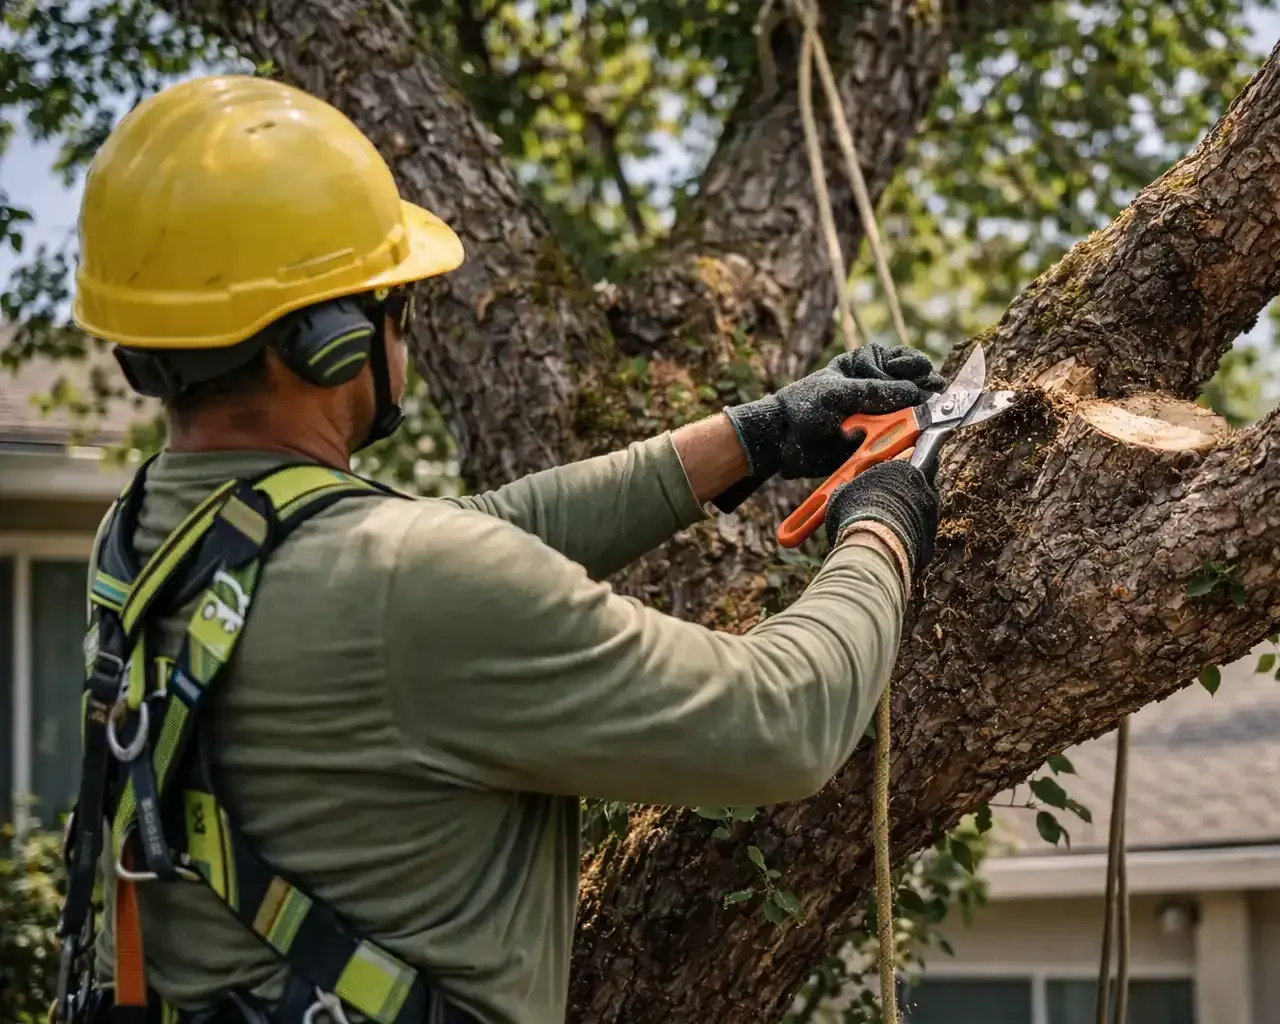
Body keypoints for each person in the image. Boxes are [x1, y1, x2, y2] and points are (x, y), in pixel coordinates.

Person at [57, 74, 944, 1024]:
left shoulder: (149, 535)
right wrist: (886, 520)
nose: (404, 324)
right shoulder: (408, 586)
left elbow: (467, 534)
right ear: (324, 341)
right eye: (392, 300)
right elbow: (783, 721)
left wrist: (756, 434)